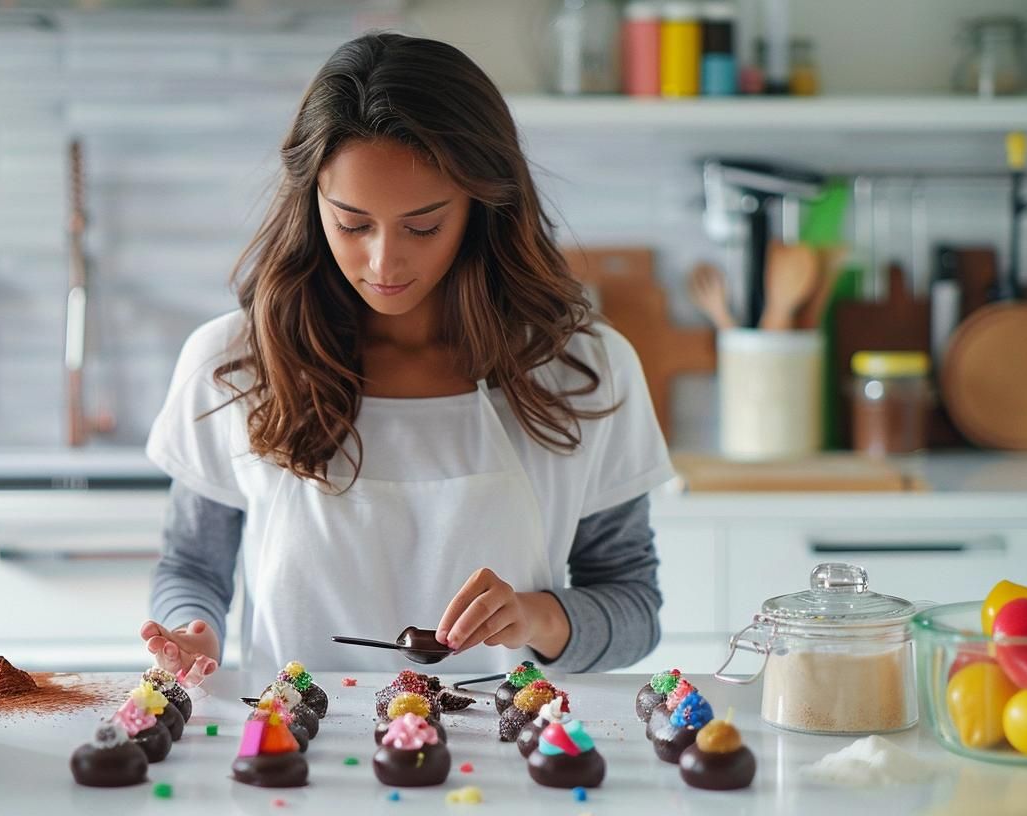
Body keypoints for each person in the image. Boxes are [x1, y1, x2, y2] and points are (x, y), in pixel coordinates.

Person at [139, 32, 672, 680]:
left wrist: (537, 617)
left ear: (482, 207)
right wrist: (196, 631)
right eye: (353, 223)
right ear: (312, 204)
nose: (384, 262)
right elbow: (192, 568)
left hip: (512, 769)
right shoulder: (234, 364)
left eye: (423, 226)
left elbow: (635, 609)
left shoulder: (584, 372)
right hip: (293, 762)